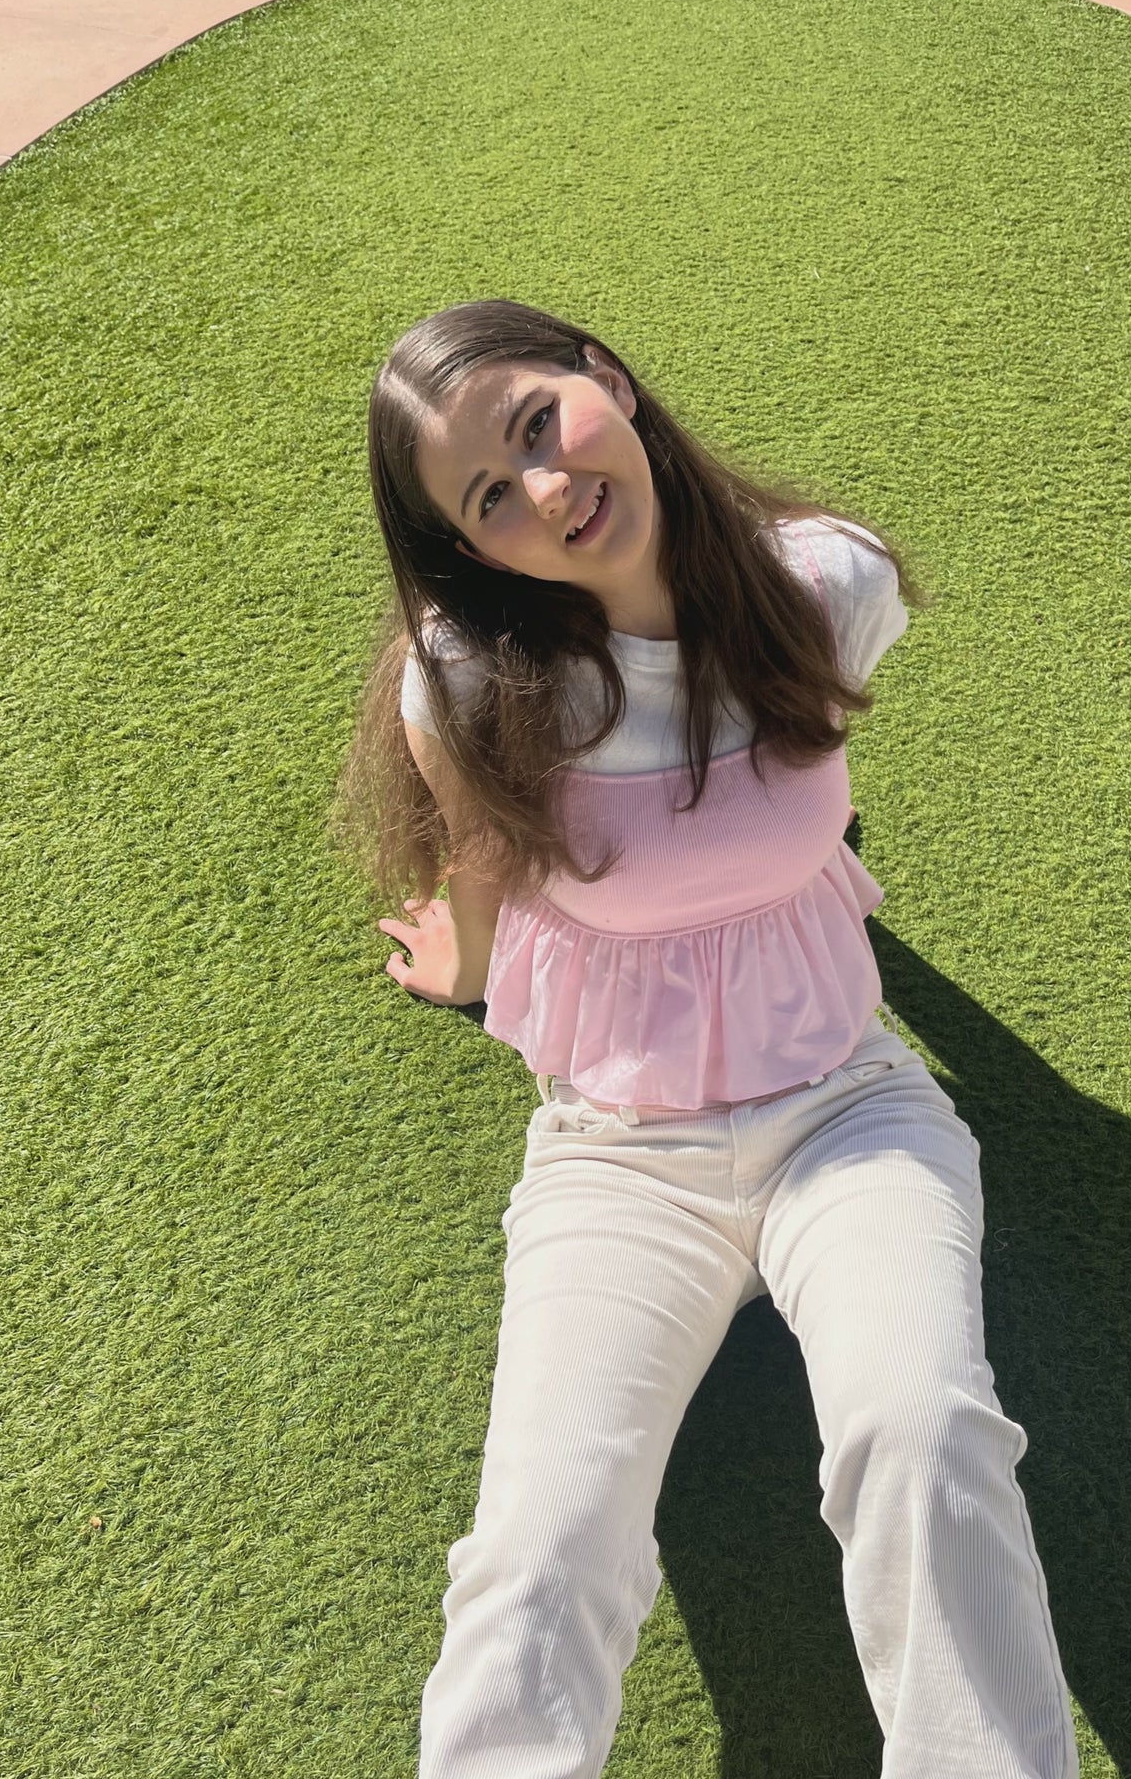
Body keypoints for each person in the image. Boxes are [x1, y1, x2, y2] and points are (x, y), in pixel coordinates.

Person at [330, 297, 1080, 1777]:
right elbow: (482, 864)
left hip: (847, 1108)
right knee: (536, 1556)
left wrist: (788, 859)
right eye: (490, 492)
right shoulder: (473, 684)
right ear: (473, 547)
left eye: (541, 423)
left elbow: (814, 775)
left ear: (602, 375)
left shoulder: (822, 584)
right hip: (619, 1151)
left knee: (922, 1437)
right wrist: (464, 970)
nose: (545, 487)